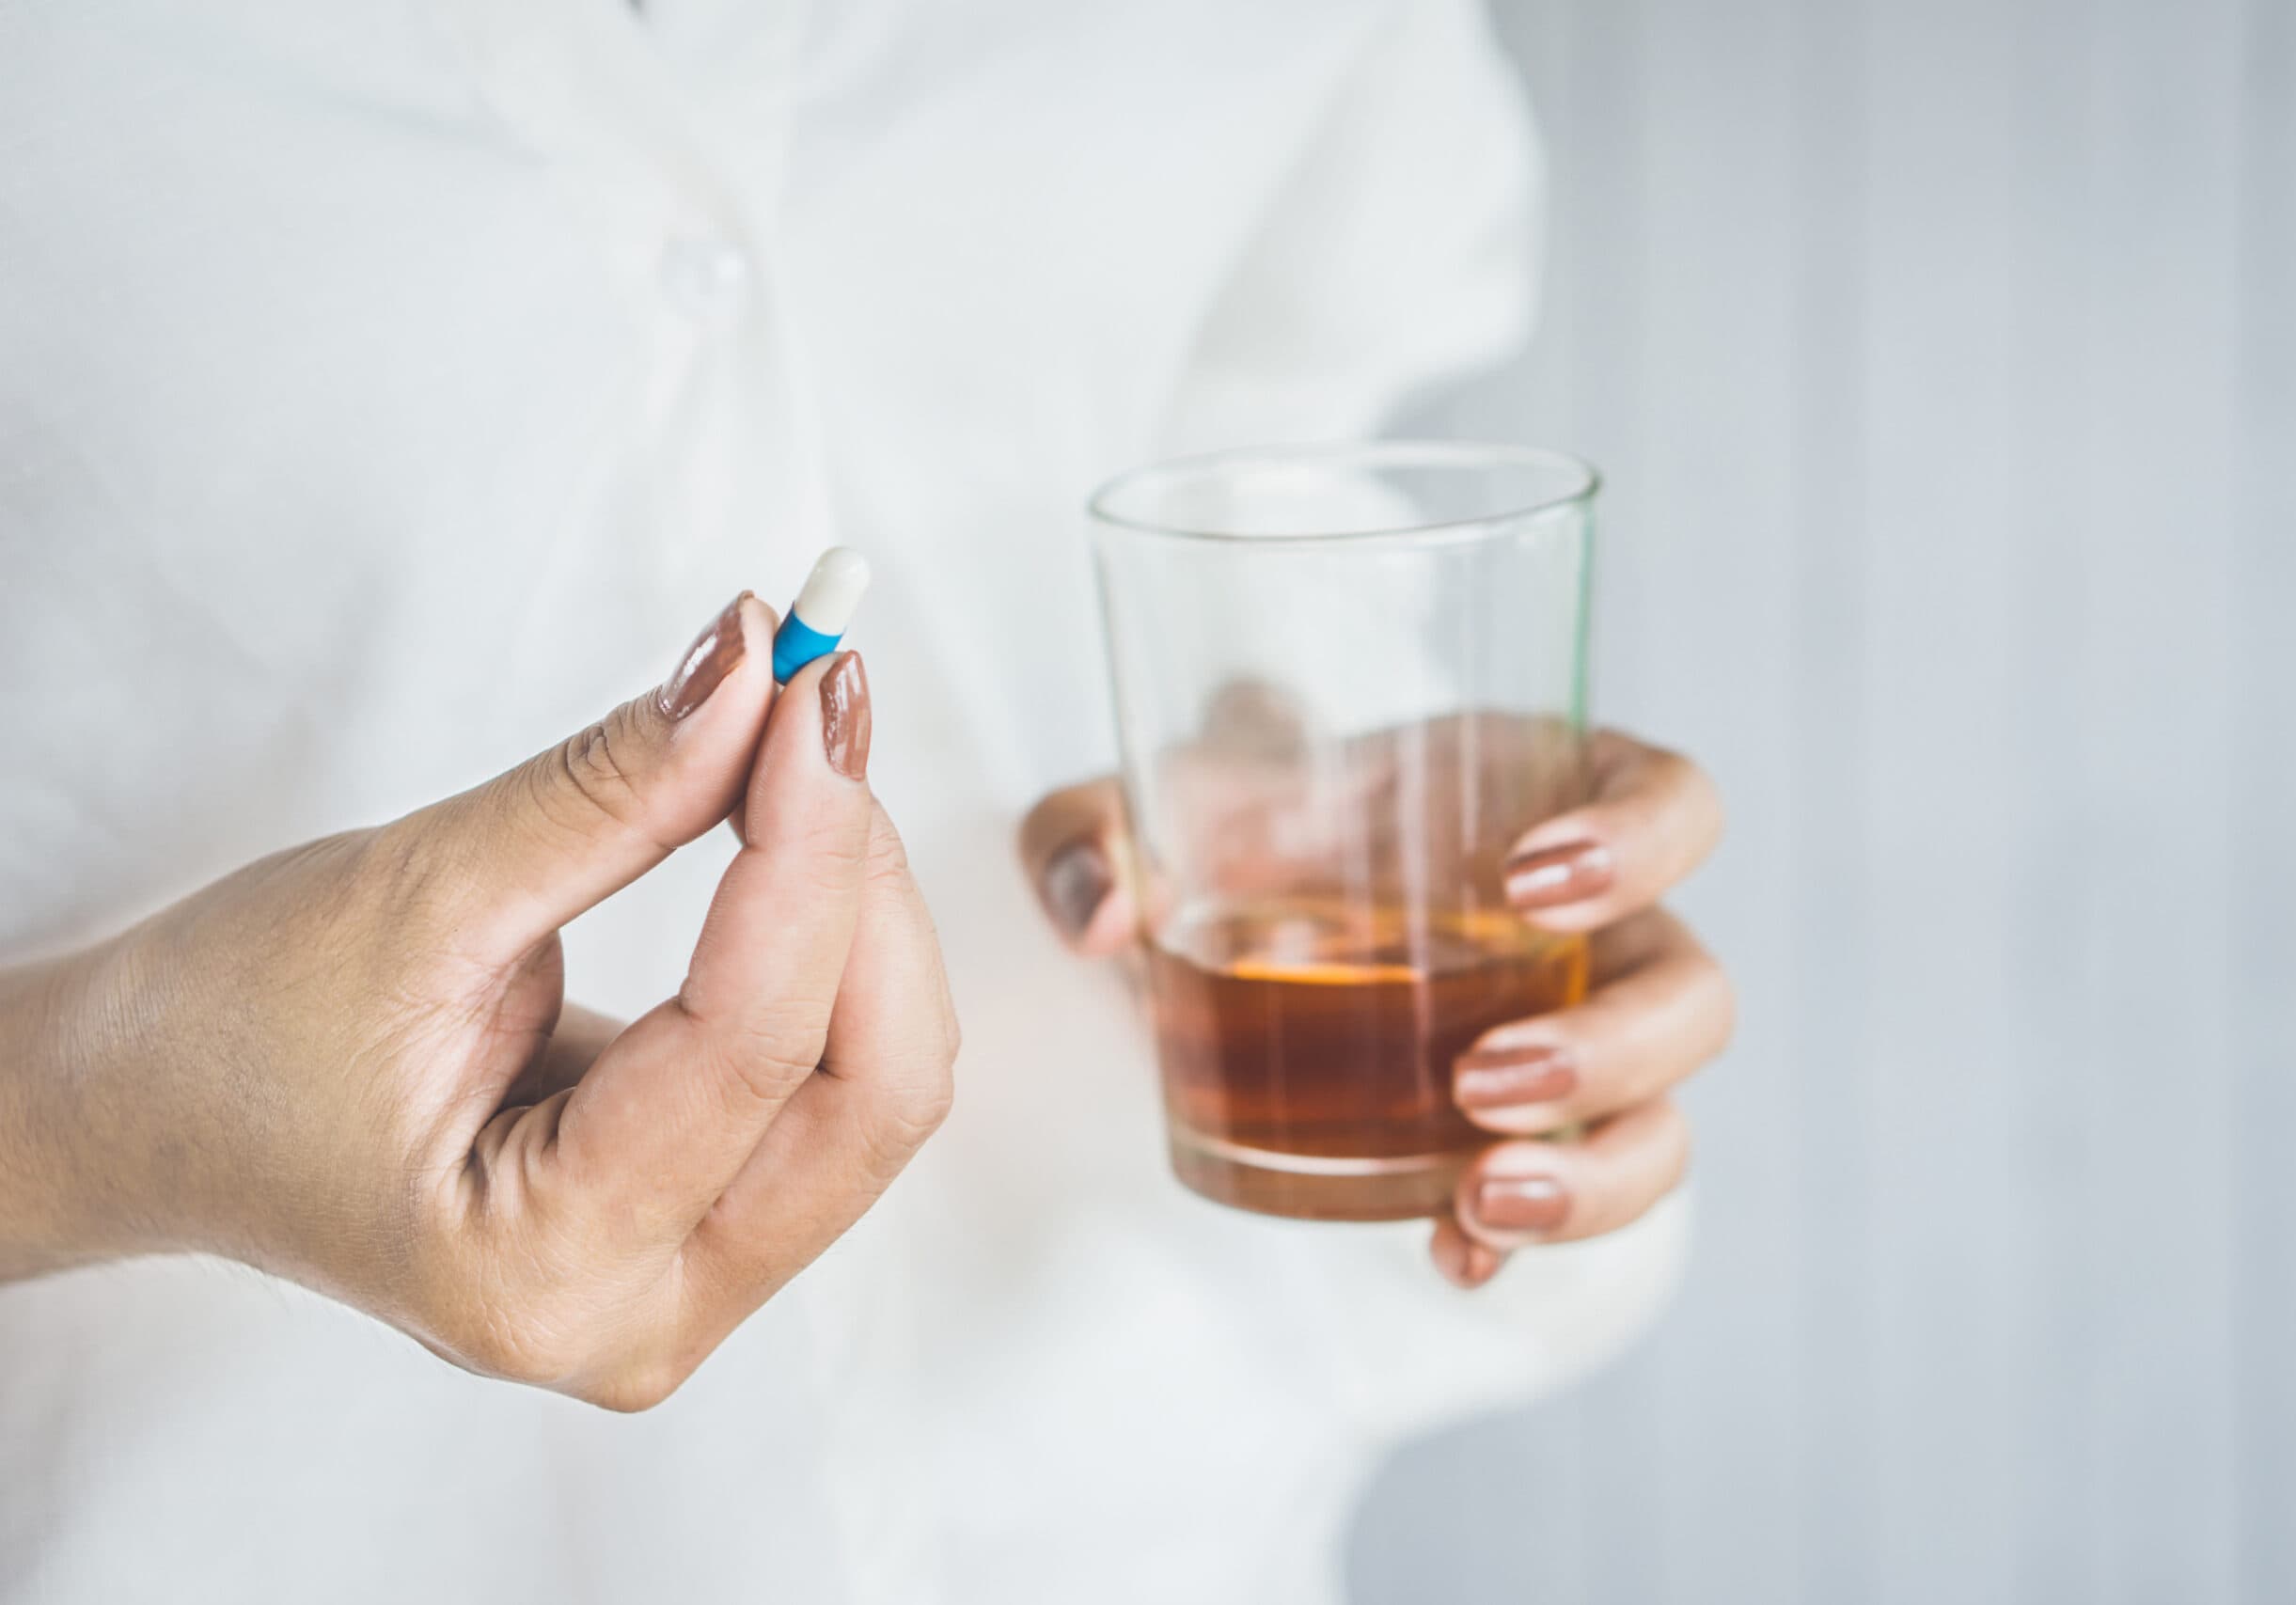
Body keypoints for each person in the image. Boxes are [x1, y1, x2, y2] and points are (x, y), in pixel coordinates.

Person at [0, 0, 1731, 1599]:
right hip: (240, 1520)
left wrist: (1302, 785)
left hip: (1100, 1489)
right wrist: (91, 1105)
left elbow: (1271, 429)